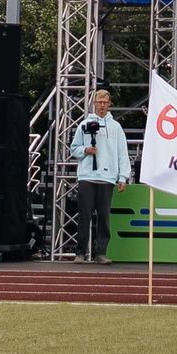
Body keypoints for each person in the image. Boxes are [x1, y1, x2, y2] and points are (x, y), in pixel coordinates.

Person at [70, 90, 128, 263]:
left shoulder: (115, 127)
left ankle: (100, 252)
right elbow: (74, 148)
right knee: (84, 215)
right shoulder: (84, 125)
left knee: (104, 216)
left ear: (109, 104)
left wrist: (123, 176)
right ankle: (80, 252)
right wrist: (85, 150)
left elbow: (122, 153)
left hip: (107, 177)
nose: (102, 105)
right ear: (94, 103)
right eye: (99, 102)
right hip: (87, 175)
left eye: (105, 102)